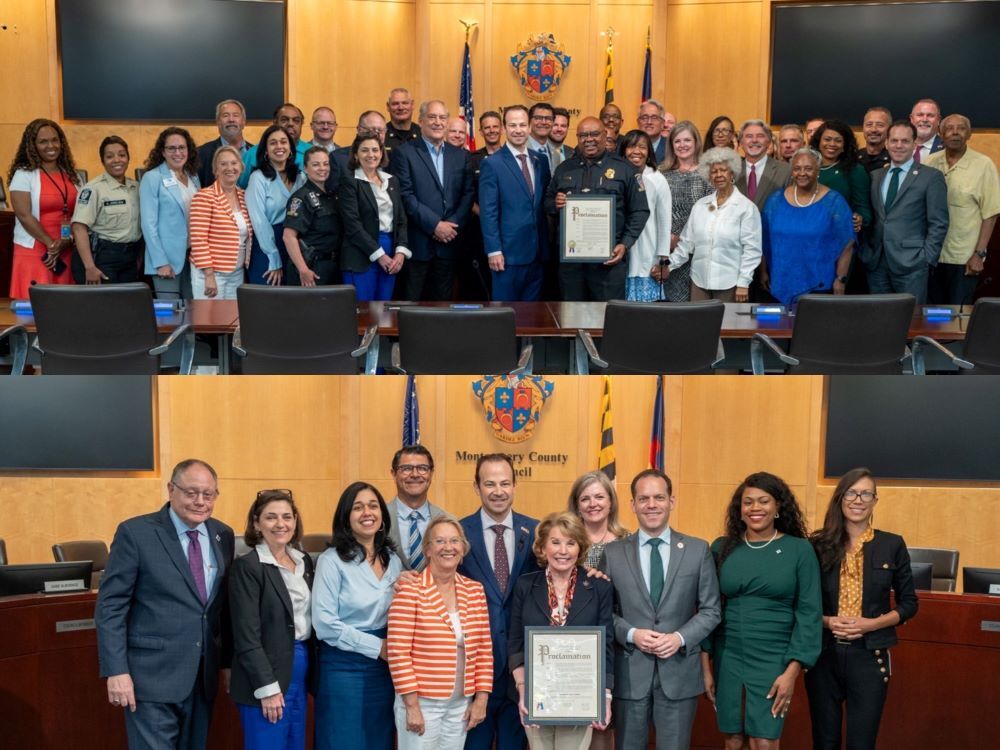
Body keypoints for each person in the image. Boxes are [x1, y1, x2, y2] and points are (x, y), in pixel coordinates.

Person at [95, 459, 235, 750]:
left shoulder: (223, 534)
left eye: (208, 494)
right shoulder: (137, 533)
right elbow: (111, 607)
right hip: (151, 678)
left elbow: (220, 609)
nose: (200, 501)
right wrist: (116, 671)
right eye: (191, 492)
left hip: (202, 678)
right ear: (171, 489)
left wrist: (225, 665)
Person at [600, 469, 721, 750]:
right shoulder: (612, 553)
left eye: (658, 497)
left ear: (671, 502)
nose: (651, 505)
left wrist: (678, 637)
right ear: (632, 505)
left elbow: (711, 609)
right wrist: (631, 634)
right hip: (630, 674)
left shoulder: (697, 550)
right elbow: (603, 613)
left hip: (678, 672)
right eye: (643, 498)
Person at [701, 472, 821, 750]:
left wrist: (792, 671)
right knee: (732, 739)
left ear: (778, 506)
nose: (755, 508)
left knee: (763, 740)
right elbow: (710, 607)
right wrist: (705, 666)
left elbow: (809, 614)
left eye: (764, 501)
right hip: (727, 655)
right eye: (748, 502)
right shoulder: (723, 548)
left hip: (774, 658)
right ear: (739, 509)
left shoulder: (799, 550)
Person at [806, 468, 919, 750]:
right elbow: (801, 603)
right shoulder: (817, 545)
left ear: (874, 500)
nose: (858, 500)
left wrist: (871, 624)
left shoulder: (891, 544)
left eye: (866, 493)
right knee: (825, 741)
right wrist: (828, 621)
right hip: (823, 655)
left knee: (861, 743)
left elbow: (909, 604)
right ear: (840, 498)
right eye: (852, 492)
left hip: (869, 656)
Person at [509, 512, 614, 750]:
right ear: (543, 547)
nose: (563, 551)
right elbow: (515, 641)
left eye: (571, 542)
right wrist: (523, 689)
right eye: (555, 542)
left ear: (580, 548)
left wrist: (605, 697)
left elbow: (606, 645)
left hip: (579, 697)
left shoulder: (599, 587)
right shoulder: (525, 585)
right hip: (536, 696)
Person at [458, 453, 540, 750]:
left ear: (515, 486)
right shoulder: (458, 533)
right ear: (476, 487)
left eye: (505, 483)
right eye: (489, 483)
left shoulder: (537, 532)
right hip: (473, 667)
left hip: (521, 667)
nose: (498, 491)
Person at [387, 516, 492, 749]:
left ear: (463, 549)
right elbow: (398, 652)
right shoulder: (410, 589)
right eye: (440, 541)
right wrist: (412, 707)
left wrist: (481, 699)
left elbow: (484, 650)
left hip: (461, 704)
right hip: (421, 704)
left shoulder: (475, 591)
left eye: (455, 541)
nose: (448, 547)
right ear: (427, 549)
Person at [312, 481, 401, 750]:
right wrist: (378, 647)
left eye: (373, 506)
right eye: (358, 507)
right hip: (343, 669)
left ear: (383, 517)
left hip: (385, 671)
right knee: (343, 740)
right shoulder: (331, 560)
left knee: (378, 739)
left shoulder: (392, 560)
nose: (367, 513)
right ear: (346, 518)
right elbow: (325, 624)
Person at [230, 490, 314, 750]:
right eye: (271, 517)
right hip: (265, 678)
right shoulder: (248, 567)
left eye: (287, 517)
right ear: (257, 523)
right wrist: (267, 688)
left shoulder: (304, 561)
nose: (281, 524)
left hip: (299, 674)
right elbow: (246, 636)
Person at [546, 116, 650, 301]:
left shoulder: (626, 169)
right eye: (583, 135)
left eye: (594, 134)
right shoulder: (564, 169)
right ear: (577, 138)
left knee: (606, 318)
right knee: (571, 316)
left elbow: (640, 211)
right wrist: (556, 202)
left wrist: (624, 244)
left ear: (605, 135)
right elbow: (547, 203)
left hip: (609, 261)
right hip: (572, 264)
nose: (589, 139)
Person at [859, 120, 949, 304]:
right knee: (879, 319)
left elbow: (939, 222)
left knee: (911, 321)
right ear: (886, 143)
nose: (898, 145)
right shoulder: (876, 176)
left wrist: (926, 258)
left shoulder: (931, 177)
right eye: (894, 140)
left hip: (912, 264)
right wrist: (866, 251)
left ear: (915, 144)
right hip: (876, 262)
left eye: (905, 141)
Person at [392, 100, 473, 301]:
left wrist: (451, 226)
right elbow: (405, 196)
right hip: (418, 245)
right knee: (412, 306)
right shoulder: (404, 153)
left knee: (442, 308)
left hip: (449, 244)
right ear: (420, 121)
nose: (438, 122)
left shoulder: (461, 156)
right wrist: (435, 225)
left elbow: (468, 194)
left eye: (442, 117)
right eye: (432, 117)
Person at [664, 147, 761, 302]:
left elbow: (752, 250)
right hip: (699, 281)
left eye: (723, 170)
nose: (718, 175)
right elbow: (686, 243)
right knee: (698, 325)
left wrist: (744, 282)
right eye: (714, 171)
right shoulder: (700, 205)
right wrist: (669, 266)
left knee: (727, 326)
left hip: (730, 284)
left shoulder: (747, 208)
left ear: (732, 174)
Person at [761, 147, 855, 306]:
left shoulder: (834, 202)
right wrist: (763, 272)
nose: (802, 173)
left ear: (818, 169)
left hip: (818, 285)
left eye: (808, 168)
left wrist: (841, 279)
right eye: (797, 168)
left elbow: (847, 243)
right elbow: (764, 239)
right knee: (780, 330)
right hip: (780, 281)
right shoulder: (775, 200)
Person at [924, 114, 1000, 305]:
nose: (955, 133)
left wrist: (979, 254)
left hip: (964, 258)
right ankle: (933, 338)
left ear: (969, 134)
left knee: (957, 315)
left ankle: (955, 338)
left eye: (961, 128)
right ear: (941, 134)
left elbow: (990, 214)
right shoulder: (929, 163)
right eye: (949, 128)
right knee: (932, 315)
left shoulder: (984, 165)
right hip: (931, 255)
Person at [478, 105, 550, 301]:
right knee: (505, 315)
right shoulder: (492, 164)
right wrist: (493, 250)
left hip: (537, 253)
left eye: (522, 125)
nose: (518, 130)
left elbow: (543, 203)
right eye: (512, 125)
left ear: (530, 128)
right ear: (504, 128)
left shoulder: (540, 160)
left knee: (533, 316)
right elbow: (488, 212)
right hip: (506, 256)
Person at [7, 118, 80, 297]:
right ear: (32, 145)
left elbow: (80, 214)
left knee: (66, 307)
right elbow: (24, 215)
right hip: (35, 250)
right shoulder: (23, 174)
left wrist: (66, 241)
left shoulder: (71, 174)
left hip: (66, 249)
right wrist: (51, 245)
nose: (51, 145)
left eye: (55, 140)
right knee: (34, 311)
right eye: (43, 141)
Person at [339, 134, 410, 301]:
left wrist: (400, 252)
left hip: (390, 251)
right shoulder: (349, 180)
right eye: (364, 150)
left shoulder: (391, 180)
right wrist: (380, 255)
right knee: (362, 313)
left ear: (381, 153)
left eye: (375, 150)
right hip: (361, 253)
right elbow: (352, 225)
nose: (371, 155)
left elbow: (401, 219)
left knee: (383, 310)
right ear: (356, 154)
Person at [70, 135, 142, 285]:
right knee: (104, 306)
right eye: (110, 156)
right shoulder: (93, 189)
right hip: (103, 258)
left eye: (122, 155)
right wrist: (89, 267)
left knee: (126, 305)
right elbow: (78, 228)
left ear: (128, 158)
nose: (117, 160)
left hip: (130, 258)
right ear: (102, 161)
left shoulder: (136, 187)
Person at [141, 127, 201, 299]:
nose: (177, 152)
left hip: (193, 258)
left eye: (182, 147)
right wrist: (160, 262)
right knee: (170, 316)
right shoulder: (152, 178)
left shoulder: (193, 177)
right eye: (171, 148)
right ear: (163, 152)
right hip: (167, 261)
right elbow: (148, 225)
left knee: (193, 312)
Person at [246, 124, 307, 286]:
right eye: (273, 143)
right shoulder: (258, 178)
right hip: (267, 246)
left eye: (283, 142)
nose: (279, 146)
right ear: (265, 150)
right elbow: (259, 221)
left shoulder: (301, 177)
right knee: (268, 304)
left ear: (291, 148)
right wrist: (274, 258)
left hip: (296, 247)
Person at [188, 146, 253, 299]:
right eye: (223, 164)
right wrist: (209, 275)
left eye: (234, 163)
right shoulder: (204, 196)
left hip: (236, 273)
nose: (229, 168)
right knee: (209, 321)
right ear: (215, 170)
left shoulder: (244, 196)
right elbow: (198, 239)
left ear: (241, 167)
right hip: (210, 274)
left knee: (232, 320)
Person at [659, 121, 713, 302]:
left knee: (695, 306)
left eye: (687, 140)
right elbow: (653, 211)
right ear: (672, 145)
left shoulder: (710, 174)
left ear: (696, 142)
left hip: (698, 250)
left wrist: (684, 239)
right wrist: (666, 237)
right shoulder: (661, 174)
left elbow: (713, 212)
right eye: (677, 141)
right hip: (667, 248)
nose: (682, 145)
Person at [618, 130, 672, 301]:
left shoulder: (657, 179)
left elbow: (664, 222)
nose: (637, 151)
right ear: (623, 150)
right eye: (631, 146)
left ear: (649, 152)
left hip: (648, 251)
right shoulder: (617, 176)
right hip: (620, 249)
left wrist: (663, 259)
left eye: (642, 147)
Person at [282, 146, 342, 287]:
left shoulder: (333, 195)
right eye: (315, 164)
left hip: (332, 266)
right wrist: (303, 270)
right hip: (310, 268)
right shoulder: (301, 198)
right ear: (306, 168)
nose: (322, 168)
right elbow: (288, 236)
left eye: (325, 164)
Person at [386, 444, 449, 572]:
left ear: (431, 474)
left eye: (422, 468)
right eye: (406, 468)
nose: (415, 474)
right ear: (393, 474)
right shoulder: (379, 518)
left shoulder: (447, 520)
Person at [811, 119, 871, 235]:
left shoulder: (855, 170)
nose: (832, 144)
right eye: (827, 139)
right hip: (806, 233)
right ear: (819, 142)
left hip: (839, 236)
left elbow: (863, 208)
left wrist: (859, 218)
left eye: (838, 141)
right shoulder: (807, 167)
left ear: (845, 145)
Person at [567, 470, 629, 570]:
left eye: (599, 497)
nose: (592, 504)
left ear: (611, 502)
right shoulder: (566, 540)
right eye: (585, 499)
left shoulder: (626, 541)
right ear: (577, 506)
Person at [241, 104, 311, 187]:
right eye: (284, 120)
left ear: (301, 124)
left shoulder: (312, 153)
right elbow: (240, 188)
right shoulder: (253, 154)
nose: (290, 124)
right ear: (275, 122)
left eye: (296, 120)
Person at [735, 120, 791, 213]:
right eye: (749, 136)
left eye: (760, 136)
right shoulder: (731, 171)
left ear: (768, 142)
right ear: (741, 143)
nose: (754, 140)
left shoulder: (786, 171)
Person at [196, 99, 253, 188]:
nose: (231, 120)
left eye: (236, 115)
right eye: (225, 115)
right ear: (218, 122)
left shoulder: (257, 153)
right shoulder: (201, 154)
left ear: (243, 121)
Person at [386, 88, 422, 156]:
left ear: (412, 105)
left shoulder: (423, 135)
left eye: (405, 103)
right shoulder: (381, 135)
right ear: (388, 106)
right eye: (395, 104)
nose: (400, 108)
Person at [858, 107, 892, 173]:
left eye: (880, 125)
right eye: (869, 125)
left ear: (890, 129)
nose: (873, 130)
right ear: (863, 128)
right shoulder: (853, 158)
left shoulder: (895, 159)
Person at [910, 99, 944, 164]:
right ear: (911, 119)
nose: (924, 119)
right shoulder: (898, 145)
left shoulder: (946, 148)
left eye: (930, 115)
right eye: (920, 115)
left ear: (938, 120)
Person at [638, 100, 670, 164]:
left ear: (662, 123)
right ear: (638, 122)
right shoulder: (629, 147)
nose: (649, 122)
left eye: (654, 118)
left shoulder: (671, 147)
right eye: (645, 117)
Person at [527, 103, 556, 172]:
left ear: (553, 122)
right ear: (529, 120)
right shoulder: (520, 149)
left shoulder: (556, 153)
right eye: (538, 118)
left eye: (548, 118)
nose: (543, 122)